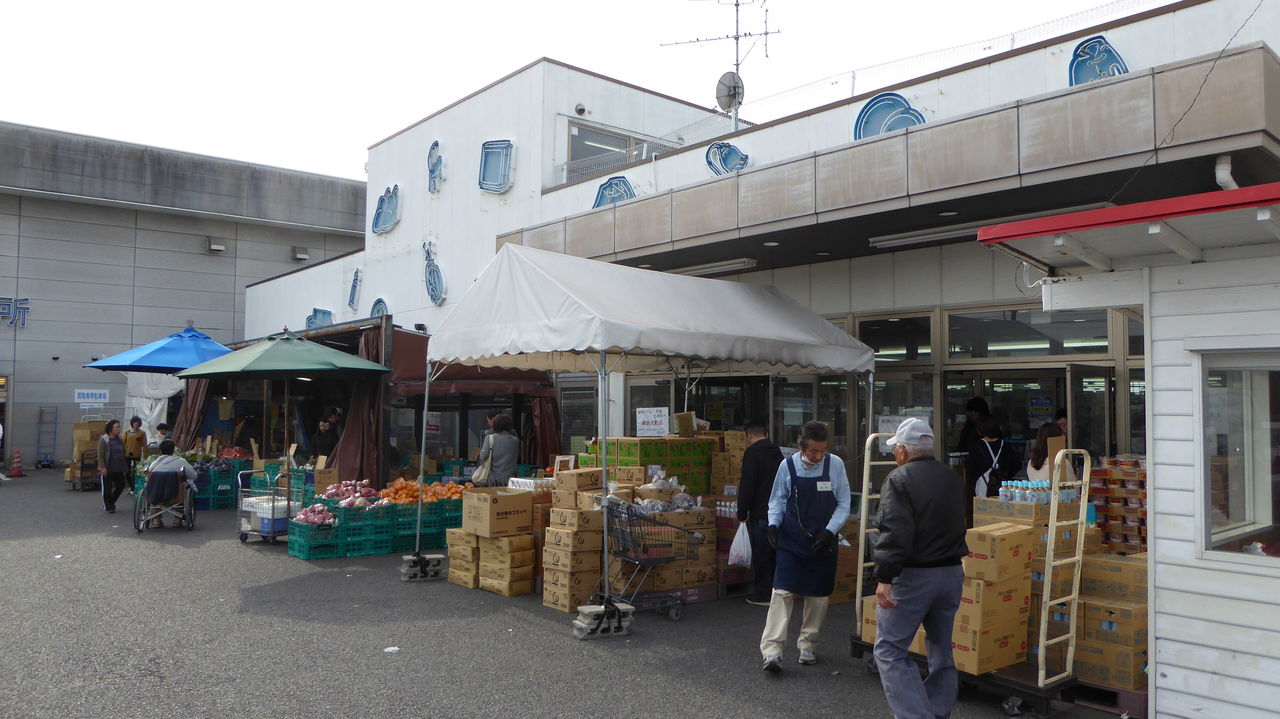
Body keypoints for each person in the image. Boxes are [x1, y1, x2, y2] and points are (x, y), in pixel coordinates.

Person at [873, 418, 969, 719]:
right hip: (951, 572)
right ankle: (938, 711)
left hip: (914, 575)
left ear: (903, 451)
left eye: (895, 450)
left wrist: (885, 578)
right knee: (941, 647)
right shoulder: (952, 477)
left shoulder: (899, 479)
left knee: (889, 650)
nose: (893, 456)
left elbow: (894, 532)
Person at [759, 420, 851, 672]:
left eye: (823, 450)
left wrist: (831, 530)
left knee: (818, 596)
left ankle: (808, 643)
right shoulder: (786, 466)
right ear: (801, 446)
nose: (819, 456)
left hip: (823, 541)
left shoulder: (835, 465)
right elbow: (777, 499)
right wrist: (773, 525)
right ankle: (772, 651)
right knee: (782, 593)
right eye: (813, 451)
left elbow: (844, 502)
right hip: (792, 540)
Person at [735, 423, 784, 607]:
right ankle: (779, 591)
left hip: (759, 512)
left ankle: (764, 594)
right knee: (776, 553)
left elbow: (748, 484)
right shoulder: (778, 453)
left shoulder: (752, 454)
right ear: (767, 433)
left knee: (761, 554)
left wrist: (742, 511)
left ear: (748, 436)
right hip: (777, 512)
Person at [964, 417, 1019, 508]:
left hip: (982, 487)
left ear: (981, 431)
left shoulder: (977, 446)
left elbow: (971, 469)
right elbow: (1015, 466)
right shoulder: (1005, 446)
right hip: (1003, 487)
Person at [144, 440, 198, 528]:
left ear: (161, 451)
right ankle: (177, 519)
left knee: (153, 488)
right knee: (183, 488)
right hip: (176, 495)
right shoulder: (181, 461)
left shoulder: (154, 463)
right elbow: (194, 476)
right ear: (173, 450)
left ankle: (156, 519)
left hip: (156, 495)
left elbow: (147, 479)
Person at [475, 413, 519, 486]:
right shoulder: (515, 440)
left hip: (493, 480)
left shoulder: (490, 438)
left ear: (495, 425)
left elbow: (483, 457)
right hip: (510, 480)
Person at [98, 420, 129, 513]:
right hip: (108, 467)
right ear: (111, 429)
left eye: (119, 427)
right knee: (107, 488)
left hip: (119, 467)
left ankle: (111, 501)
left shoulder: (119, 439)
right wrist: (102, 467)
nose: (119, 429)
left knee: (121, 485)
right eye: (116, 427)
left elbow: (123, 451)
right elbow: (100, 455)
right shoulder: (104, 440)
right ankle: (108, 505)